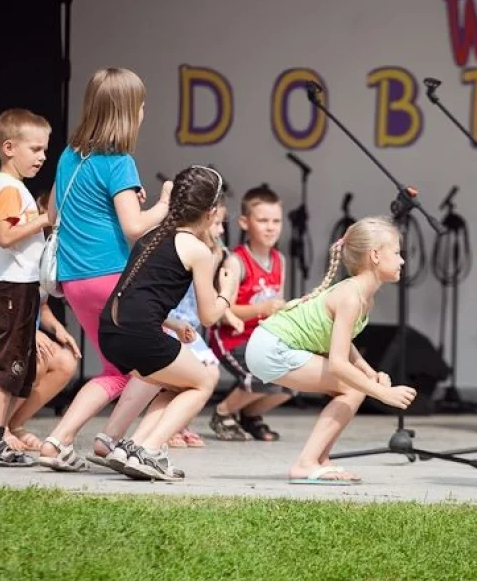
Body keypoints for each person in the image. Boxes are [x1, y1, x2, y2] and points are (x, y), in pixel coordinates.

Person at [38, 67, 171, 469]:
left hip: (74, 280)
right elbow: (134, 227)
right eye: (142, 104)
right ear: (128, 111)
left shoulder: (68, 156)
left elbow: (53, 212)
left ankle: (73, 442)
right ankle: (87, 440)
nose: (145, 110)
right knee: (153, 362)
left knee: (118, 368)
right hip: (108, 277)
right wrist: (164, 204)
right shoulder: (119, 161)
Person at [245, 217, 417, 484]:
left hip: (268, 345)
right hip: (271, 348)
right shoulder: (351, 297)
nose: (402, 260)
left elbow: (342, 342)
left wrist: (370, 373)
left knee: (355, 386)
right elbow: (337, 363)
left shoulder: (363, 297)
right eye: (396, 252)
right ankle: (306, 464)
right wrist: (382, 392)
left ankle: (320, 461)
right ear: (374, 255)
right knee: (352, 388)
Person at [84, 197, 243, 465]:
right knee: (203, 381)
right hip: (143, 336)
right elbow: (208, 316)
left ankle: (130, 448)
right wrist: (227, 292)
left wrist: (172, 324)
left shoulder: (153, 234)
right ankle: (149, 449)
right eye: (217, 222)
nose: (220, 230)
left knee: (174, 380)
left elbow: (140, 296)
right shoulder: (197, 249)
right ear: (209, 213)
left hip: (112, 331)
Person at [0, 108, 52, 466]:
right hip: (11, 288)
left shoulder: (13, 187)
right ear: (9, 147)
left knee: (21, 367)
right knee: (8, 366)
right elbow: (7, 236)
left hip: (22, 287)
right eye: (35, 149)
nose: (42, 157)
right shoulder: (7, 187)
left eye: (44, 150)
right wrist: (45, 219)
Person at [208, 185, 292, 442]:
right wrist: (261, 309)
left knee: (296, 378)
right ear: (245, 222)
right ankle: (222, 413)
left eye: (276, 221)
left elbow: (275, 307)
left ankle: (249, 415)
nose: (271, 227)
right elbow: (223, 310)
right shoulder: (236, 261)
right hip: (232, 338)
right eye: (263, 220)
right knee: (264, 372)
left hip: (262, 338)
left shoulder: (280, 260)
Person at [0, 291, 79, 451]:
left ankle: (15, 425)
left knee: (66, 361)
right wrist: (26, 332)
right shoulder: (14, 267)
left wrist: (57, 328)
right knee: (32, 361)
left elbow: (41, 303)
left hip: (14, 332)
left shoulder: (45, 268)